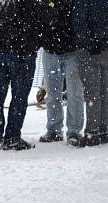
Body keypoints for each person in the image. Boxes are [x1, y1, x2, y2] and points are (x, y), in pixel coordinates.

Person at [0, 0, 44, 150]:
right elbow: (39, 20)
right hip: (21, 53)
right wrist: (33, 44)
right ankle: (12, 136)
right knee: (19, 97)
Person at [37, 0, 85, 146]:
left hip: (73, 50)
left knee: (75, 93)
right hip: (50, 49)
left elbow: (82, 16)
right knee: (52, 92)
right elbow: (39, 16)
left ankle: (74, 132)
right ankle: (54, 129)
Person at [72, 0, 108, 146]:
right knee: (104, 92)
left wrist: (89, 43)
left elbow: (79, 21)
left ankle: (92, 132)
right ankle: (104, 129)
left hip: (89, 51)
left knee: (93, 93)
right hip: (105, 49)